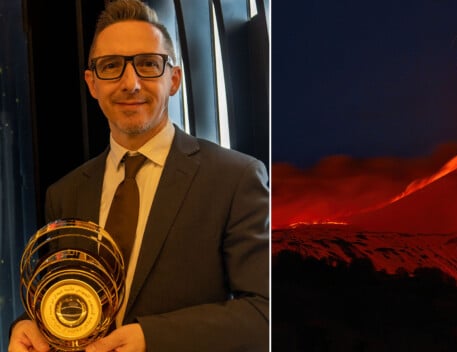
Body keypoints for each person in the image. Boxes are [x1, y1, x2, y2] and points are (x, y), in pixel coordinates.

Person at [7, 0, 270, 351]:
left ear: (173, 78)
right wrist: (27, 325)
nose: (130, 83)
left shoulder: (236, 179)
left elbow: (266, 314)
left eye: (148, 64)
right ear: (92, 83)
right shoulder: (65, 193)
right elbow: (62, 300)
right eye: (111, 66)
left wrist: (151, 338)